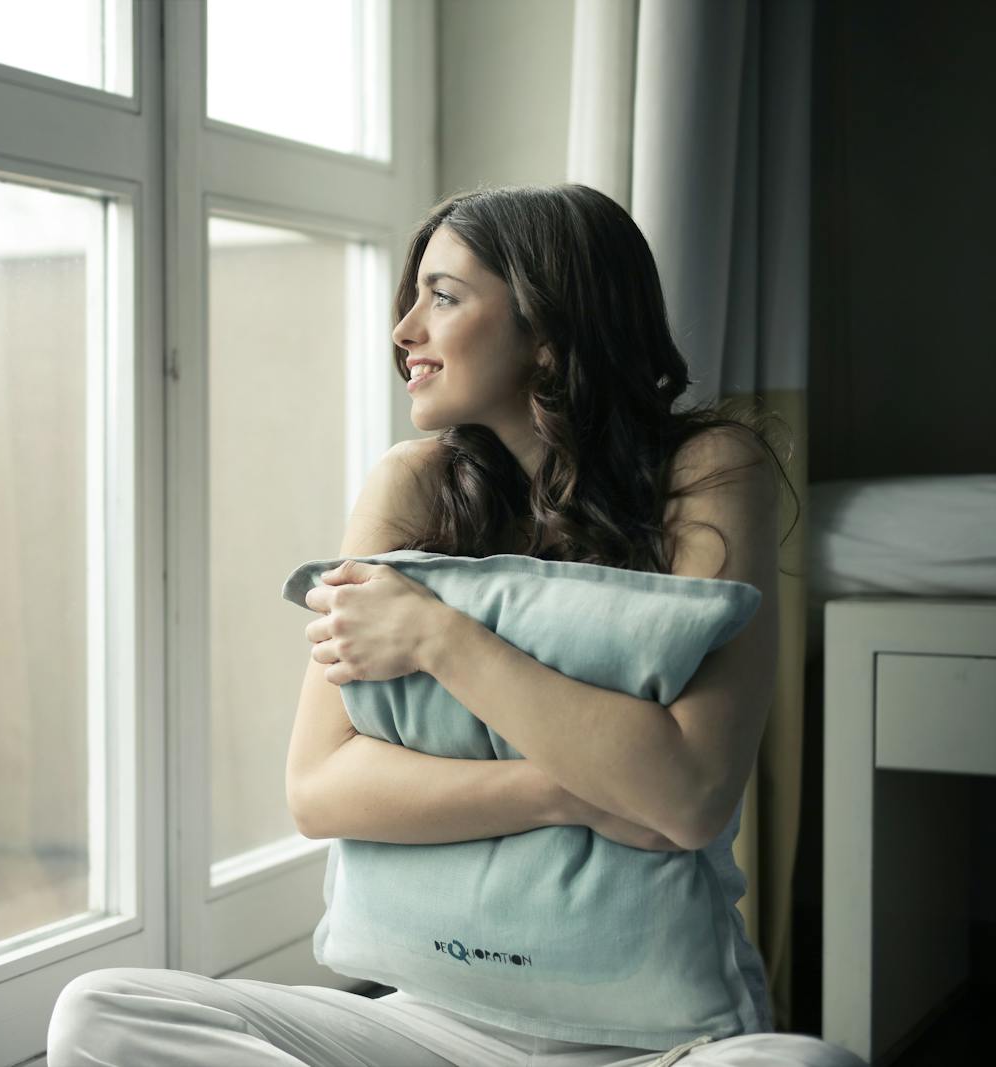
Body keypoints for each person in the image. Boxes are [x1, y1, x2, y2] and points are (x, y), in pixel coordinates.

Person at [46, 184, 866, 1066]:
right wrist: (574, 790)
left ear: (549, 329)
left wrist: (438, 636)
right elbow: (320, 788)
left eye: (442, 296)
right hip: (422, 1025)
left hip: (657, 1044)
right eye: (413, 296)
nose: (404, 329)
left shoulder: (706, 469)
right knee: (101, 1011)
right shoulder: (411, 483)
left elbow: (692, 796)